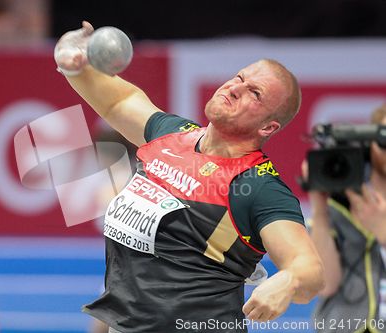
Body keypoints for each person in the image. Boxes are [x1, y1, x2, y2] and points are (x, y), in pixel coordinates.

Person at [55, 22, 324, 333]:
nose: (235, 88)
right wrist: (74, 66)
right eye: (239, 78)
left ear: (268, 128)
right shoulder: (169, 135)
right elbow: (118, 101)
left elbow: (309, 267)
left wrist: (289, 281)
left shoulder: (257, 185)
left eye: (255, 93)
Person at [306, 105, 386, 333]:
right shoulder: (338, 205)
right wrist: (319, 208)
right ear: (369, 145)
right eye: (384, 140)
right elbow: (325, 285)